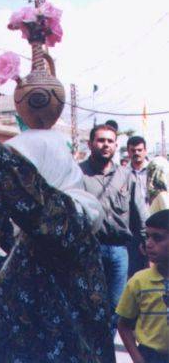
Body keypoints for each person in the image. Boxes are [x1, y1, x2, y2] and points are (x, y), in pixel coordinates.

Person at [0, 74, 115, 361]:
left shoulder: (73, 218)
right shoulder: (30, 222)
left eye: (19, 176)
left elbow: (36, 208)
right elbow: (8, 215)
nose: (8, 185)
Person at [80, 124, 134, 328]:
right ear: (90, 144)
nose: (106, 145)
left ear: (116, 145)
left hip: (120, 251)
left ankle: (107, 345)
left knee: (116, 307)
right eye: (101, 140)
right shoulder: (78, 173)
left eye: (110, 141)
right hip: (90, 249)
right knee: (90, 304)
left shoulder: (126, 175)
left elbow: (139, 213)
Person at [116, 209, 169, 363]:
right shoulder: (139, 281)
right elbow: (124, 325)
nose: (149, 244)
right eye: (147, 237)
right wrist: (138, 359)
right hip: (150, 356)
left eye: (157, 238)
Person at [126, 136, 150, 276]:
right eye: (133, 150)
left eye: (140, 150)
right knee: (136, 271)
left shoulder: (155, 170)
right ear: (128, 152)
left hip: (158, 224)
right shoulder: (123, 174)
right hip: (134, 229)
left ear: (145, 151)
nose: (137, 153)